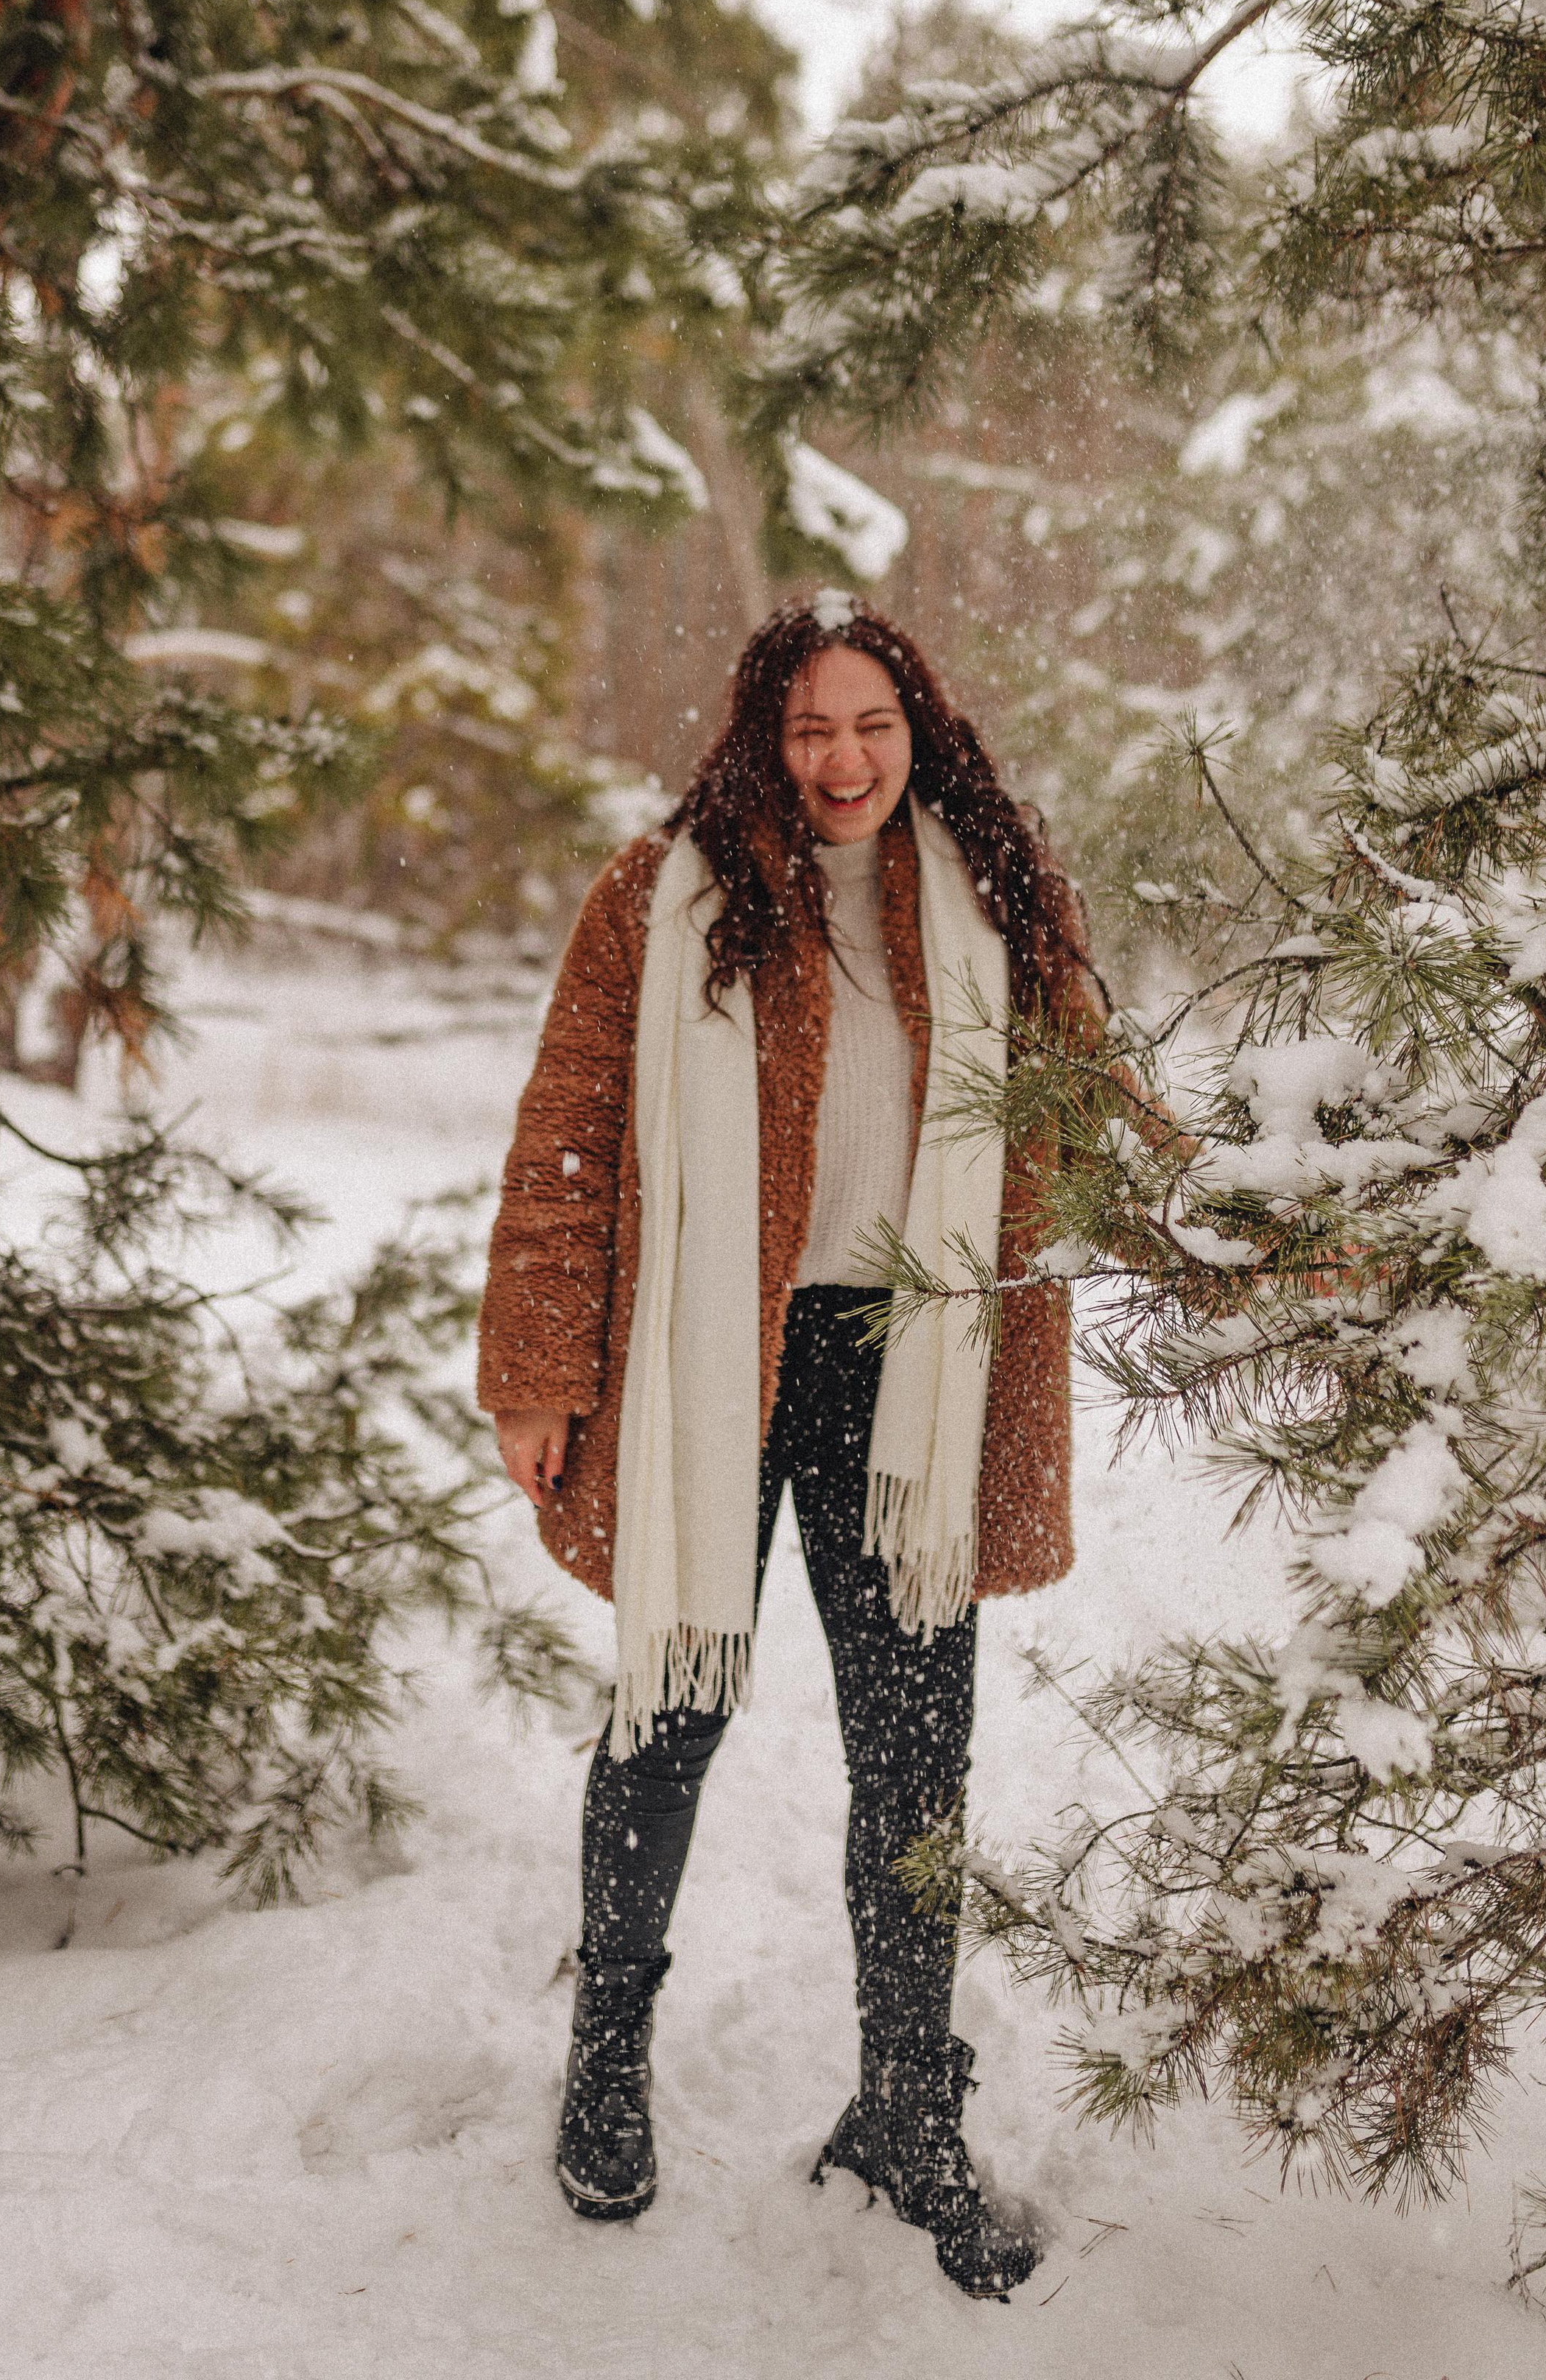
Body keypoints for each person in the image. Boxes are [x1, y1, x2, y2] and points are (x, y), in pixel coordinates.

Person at [478, 593, 1108, 2300]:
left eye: (870, 728)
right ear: (765, 736)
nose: (841, 761)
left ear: (919, 734)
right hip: (708, 1364)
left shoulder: (992, 899)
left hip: (906, 1366)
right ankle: (607, 2050)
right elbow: (566, 1138)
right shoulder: (662, 893)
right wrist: (538, 1369)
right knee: (667, 1715)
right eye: (810, 729)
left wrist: (1278, 1223)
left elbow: (1099, 1111)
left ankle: (907, 2107)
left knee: (917, 1757)